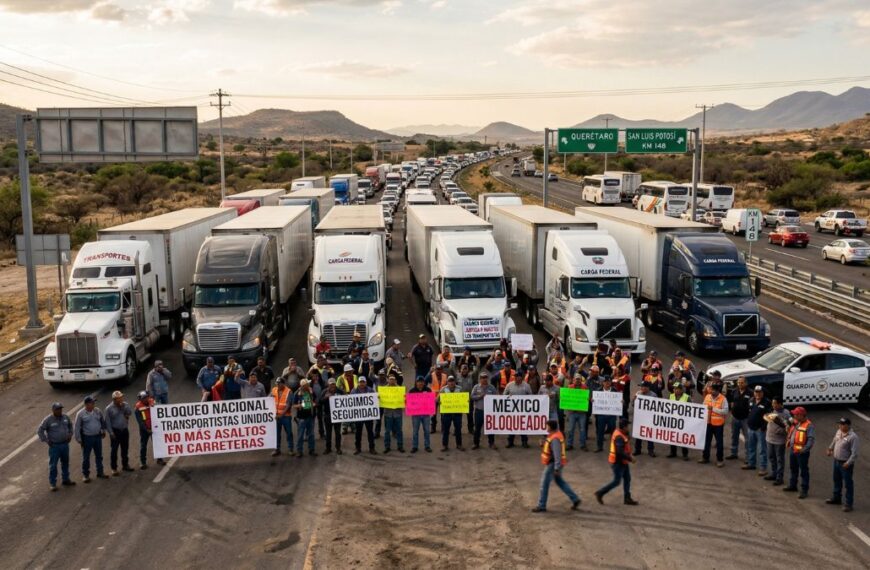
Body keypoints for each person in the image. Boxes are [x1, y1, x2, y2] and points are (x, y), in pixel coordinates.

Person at [533, 420, 581, 513]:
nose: (546, 428)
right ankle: (575, 499)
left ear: (550, 427)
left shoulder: (555, 439)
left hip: (552, 464)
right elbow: (551, 448)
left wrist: (556, 468)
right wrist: (543, 445)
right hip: (555, 463)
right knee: (560, 482)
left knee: (544, 484)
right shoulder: (555, 434)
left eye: (547, 426)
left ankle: (541, 505)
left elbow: (557, 454)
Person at [594, 418, 638, 506]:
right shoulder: (619, 437)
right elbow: (619, 452)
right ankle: (600, 493)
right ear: (624, 427)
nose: (628, 428)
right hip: (618, 462)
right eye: (627, 426)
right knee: (616, 481)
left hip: (622, 461)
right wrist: (630, 458)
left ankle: (627, 498)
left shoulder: (620, 433)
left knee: (627, 479)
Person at [37, 402, 75, 491]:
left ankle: (66, 479)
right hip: (55, 446)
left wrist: (70, 434)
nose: (60, 411)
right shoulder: (48, 420)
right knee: (53, 465)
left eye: (61, 409)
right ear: (53, 410)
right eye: (58, 409)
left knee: (65, 462)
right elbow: (40, 430)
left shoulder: (65, 417)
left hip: (65, 444)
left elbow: (70, 425)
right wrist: (46, 440)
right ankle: (53, 483)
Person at [826, 417, 859, 512]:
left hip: (845, 463)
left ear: (848, 425)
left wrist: (848, 463)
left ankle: (849, 504)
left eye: (842, 424)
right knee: (836, 480)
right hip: (836, 461)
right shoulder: (838, 432)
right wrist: (830, 448)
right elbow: (834, 440)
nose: (840, 426)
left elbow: (854, 453)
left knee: (848, 483)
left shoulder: (853, 437)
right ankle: (836, 498)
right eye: (839, 424)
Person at [74, 396, 108, 483]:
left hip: (97, 436)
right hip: (87, 438)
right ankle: (86, 475)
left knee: (99, 456)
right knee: (86, 457)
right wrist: (78, 438)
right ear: (86, 404)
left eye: (93, 403)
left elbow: (102, 421)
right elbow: (77, 427)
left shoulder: (97, 411)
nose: (93, 404)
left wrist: (103, 430)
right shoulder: (80, 414)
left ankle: (100, 472)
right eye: (91, 403)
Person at [784, 406, 814, 499]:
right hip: (794, 450)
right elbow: (792, 432)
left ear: (801, 415)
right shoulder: (797, 423)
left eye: (796, 414)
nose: (794, 416)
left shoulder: (809, 425)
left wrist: (804, 449)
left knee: (804, 471)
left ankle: (804, 490)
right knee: (793, 469)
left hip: (802, 453)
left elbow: (811, 440)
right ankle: (793, 485)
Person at [700, 381, 729, 467]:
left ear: (718, 391)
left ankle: (720, 460)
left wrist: (713, 409)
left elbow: (725, 411)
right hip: (708, 423)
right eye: (711, 389)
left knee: (719, 443)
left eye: (714, 390)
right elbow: (703, 406)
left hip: (718, 425)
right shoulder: (708, 397)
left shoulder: (723, 399)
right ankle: (705, 457)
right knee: (706, 441)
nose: (712, 392)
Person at [105, 391, 134, 475]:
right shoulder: (109, 409)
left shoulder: (125, 404)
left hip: (124, 430)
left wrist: (124, 407)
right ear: (114, 399)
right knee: (114, 450)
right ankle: (114, 468)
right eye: (119, 398)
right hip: (115, 431)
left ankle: (125, 465)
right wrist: (111, 433)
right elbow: (107, 422)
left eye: (121, 397)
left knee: (125, 449)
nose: (121, 399)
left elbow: (129, 413)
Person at [764, 398, 791, 486]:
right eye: (772, 403)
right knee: (771, 457)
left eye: (775, 403)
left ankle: (780, 478)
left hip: (779, 441)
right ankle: (773, 474)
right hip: (769, 438)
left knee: (779, 459)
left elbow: (789, 427)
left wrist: (781, 431)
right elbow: (767, 418)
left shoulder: (786, 413)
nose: (773, 405)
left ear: (780, 404)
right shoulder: (772, 410)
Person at [744, 386, 770, 475]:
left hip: (760, 430)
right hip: (750, 428)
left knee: (762, 449)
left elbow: (769, 417)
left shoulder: (767, 403)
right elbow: (749, 412)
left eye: (759, 392)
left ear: (762, 393)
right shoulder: (751, 400)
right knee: (751, 447)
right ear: (754, 392)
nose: (757, 394)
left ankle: (763, 468)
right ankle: (751, 464)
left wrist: (763, 427)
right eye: (756, 392)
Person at [504, 372, 532, 448]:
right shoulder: (509, 385)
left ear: (521, 377)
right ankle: (510, 442)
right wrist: (508, 397)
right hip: (512, 410)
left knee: (523, 426)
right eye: (515, 376)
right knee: (512, 426)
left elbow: (531, 397)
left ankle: (524, 442)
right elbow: (503, 396)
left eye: (518, 376)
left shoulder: (526, 386)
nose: (516, 378)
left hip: (523, 410)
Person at [727, 376, 752, 461]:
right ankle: (733, 453)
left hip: (745, 419)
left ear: (746, 383)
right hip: (735, 418)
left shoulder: (750, 393)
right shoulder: (734, 391)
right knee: (734, 436)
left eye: (742, 383)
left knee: (747, 439)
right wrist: (732, 412)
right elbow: (731, 402)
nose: (740, 384)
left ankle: (748, 457)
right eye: (738, 383)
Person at [471, 371, 497, 450]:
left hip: (489, 411)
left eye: (485, 378)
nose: (484, 379)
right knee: (477, 428)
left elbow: (496, 398)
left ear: (487, 379)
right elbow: (472, 397)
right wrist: (480, 396)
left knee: (490, 428)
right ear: (480, 379)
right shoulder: (476, 387)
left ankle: (491, 443)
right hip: (479, 411)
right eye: (482, 378)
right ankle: (476, 443)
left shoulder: (492, 387)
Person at [134, 391, 160, 469]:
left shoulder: (152, 402)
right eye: (144, 398)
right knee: (143, 446)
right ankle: (143, 462)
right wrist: (147, 429)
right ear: (140, 399)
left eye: (147, 397)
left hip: (154, 427)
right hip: (144, 430)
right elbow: (140, 422)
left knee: (157, 445)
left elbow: (160, 410)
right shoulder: (138, 408)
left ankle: (160, 459)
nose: (146, 399)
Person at [318, 378, 345, 454]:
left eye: (333, 384)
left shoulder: (340, 391)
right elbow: (319, 402)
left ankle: (338, 448)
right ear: (328, 385)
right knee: (328, 434)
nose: (332, 385)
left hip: (337, 415)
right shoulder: (324, 391)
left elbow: (346, 400)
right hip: (327, 415)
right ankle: (328, 448)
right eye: (330, 384)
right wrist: (325, 397)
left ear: (335, 384)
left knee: (337, 433)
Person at [351, 377, 377, 455]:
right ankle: (357, 448)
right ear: (358, 383)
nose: (362, 383)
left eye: (363, 382)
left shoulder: (370, 390)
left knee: (370, 433)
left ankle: (372, 448)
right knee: (358, 433)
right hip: (358, 416)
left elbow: (375, 400)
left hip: (368, 415)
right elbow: (350, 402)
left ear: (366, 382)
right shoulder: (354, 391)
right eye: (360, 382)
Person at [439, 376, 466, 451]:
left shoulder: (460, 389)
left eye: (452, 381)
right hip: (447, 413)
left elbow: (465, 398)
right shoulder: (443, 389)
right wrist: (441, 401)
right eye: (449, 381)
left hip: (457, 413)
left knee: (458, 429)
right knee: (446, 430)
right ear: (447, 382)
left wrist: (464, 402)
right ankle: (445, 445)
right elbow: (438, 399)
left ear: (455, 382)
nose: (451, 383)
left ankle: (459, 444)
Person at [292, 379, 317, 457]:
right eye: (306, 385)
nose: (307, 386)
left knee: (311, 435)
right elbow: (293, 405)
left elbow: (315, 401)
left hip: (310, 416)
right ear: (302, 386)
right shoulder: (297, 394)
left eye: (307, 385)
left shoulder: (311, 392)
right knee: (300, 435)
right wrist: (300, 406)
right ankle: (299, 451)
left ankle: (311, 450)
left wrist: (314, 404)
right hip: (301, 418)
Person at [631, 381, 656, 457]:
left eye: (643, 387)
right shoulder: (638, 393)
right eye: (641, 386)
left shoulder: (653, 395)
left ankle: (650, 450)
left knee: (650, 434)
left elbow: (656, 407)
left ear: (648, 387)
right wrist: (634, 400)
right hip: (640, 418)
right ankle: (637, 450)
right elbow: (633, 405)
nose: (642, 388)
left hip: (649, 418)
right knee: (638, 434)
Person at [382, 374, 405, 453]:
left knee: (399, 430)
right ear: (387, 380)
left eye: (393, 379)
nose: (392, 380)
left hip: (398, 413)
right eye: (390, 379)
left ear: (395, 380)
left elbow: (404, 400)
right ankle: (387, 446)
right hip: (388, 414)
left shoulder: (400, 389)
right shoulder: (383, 390)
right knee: (387, 431)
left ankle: (400, 446)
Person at [667, 382, 690, 460]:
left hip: (683, 420)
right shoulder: (671, 396)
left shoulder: (687, 397)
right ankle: (673, 452)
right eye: (674, 389)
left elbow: (692, 409)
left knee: (683, 438)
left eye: (677, 389)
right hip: (673, 420)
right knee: (673, 436)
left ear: (681, 389)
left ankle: (685, 454)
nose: (675, 390)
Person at [271, 377, 294, 456]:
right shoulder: (274, 390)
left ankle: (291, 449)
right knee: (277, 434)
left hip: (286, 417)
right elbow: (268, 399)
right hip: (276, 417)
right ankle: (277, 449)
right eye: (277, 383)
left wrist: (281, 415)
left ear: (283, 383)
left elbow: (288, 405)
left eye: (279, 383)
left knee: (289, 433)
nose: (278, 385)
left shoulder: (289, 392)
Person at [565, 374, 588, 451]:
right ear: (574, 380)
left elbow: (587, 398)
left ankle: (583, 444)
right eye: (576, 379)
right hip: (572, 412)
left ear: (581, 380)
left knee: (582, 429)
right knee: (570, 429)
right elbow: (567, 398)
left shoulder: (585, 388)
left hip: (582, 413)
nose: (577, 380)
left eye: (579, 379)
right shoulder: (570, 387)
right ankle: (569, 444)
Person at [409, 377, 433, 453]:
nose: (420, 383)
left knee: (427, 431)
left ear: (424, 383)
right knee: (415, 431)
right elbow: (409, 403)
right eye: (419, 382)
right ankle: (414, 446)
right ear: (416, 383)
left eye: (422, 382)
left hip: (425, 414)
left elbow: (431, 401)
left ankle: (427, 446)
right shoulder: (412, 391)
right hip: (416, 415)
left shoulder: (428, 390)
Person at [595, 377, 619, 452]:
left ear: (611, 382)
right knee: (600, 432)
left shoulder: (615, 391)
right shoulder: (598, 391)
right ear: (602, 383)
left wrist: (621, 401)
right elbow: (595, 401)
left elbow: (618, 401)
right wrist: (593, 400)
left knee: (613, 432)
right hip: (601, 415)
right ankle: (599, 447)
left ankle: (614, 447)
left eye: (608, 381)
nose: (607, 383)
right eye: (605, 382)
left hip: (611, 416)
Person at [426, 363, 449, 432]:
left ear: (442, 370)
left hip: (443, 396)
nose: (438, 371)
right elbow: (425, 380)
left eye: (440, 369)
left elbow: (448, 385)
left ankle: (443, 428)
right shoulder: (431, 375)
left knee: (443, 413)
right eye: (437, 369)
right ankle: (433, 427)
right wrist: (429, 372)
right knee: (433, 414)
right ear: (435, 369)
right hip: (433, 397)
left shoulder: (445, 376)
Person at [456, 363, 476, 433]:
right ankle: (457, 430)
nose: (464, 370)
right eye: (463, 369)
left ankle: (471, 429)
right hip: (460, 399)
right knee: (458, 416)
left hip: (469, 399)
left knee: (470, 415)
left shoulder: (471, 376)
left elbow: (477, 370)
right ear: (460, 370)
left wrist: (477, 361)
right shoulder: (457, 376)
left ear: (468, 370)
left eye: (466, 369)